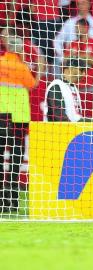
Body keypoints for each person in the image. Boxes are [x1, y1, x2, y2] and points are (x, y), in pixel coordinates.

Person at [0, 35, 36, 213]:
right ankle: (12, 200)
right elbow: (32, 84)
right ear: (19, 48)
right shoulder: (21, 67)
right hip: (18, 118)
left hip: (1, 114)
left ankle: (1, 200)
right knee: (15, 160)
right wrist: (42, 67)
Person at [54, 0, 93, 67]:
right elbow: (57, 41)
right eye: (78, 4)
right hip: (72, 65)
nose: (81, 6)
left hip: (92, 65)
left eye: (83, 3)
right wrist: (62, 57)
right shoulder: (70, 22)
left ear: (89, 4)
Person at [64, 18, 93, 92]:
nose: (76, 31)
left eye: (78, 28)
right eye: (76, 28)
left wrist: (75, 56)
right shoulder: (72, 43)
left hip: (91, 83)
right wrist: (86, 57)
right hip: (74, 84)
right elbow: (65, 60)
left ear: (86, 28)